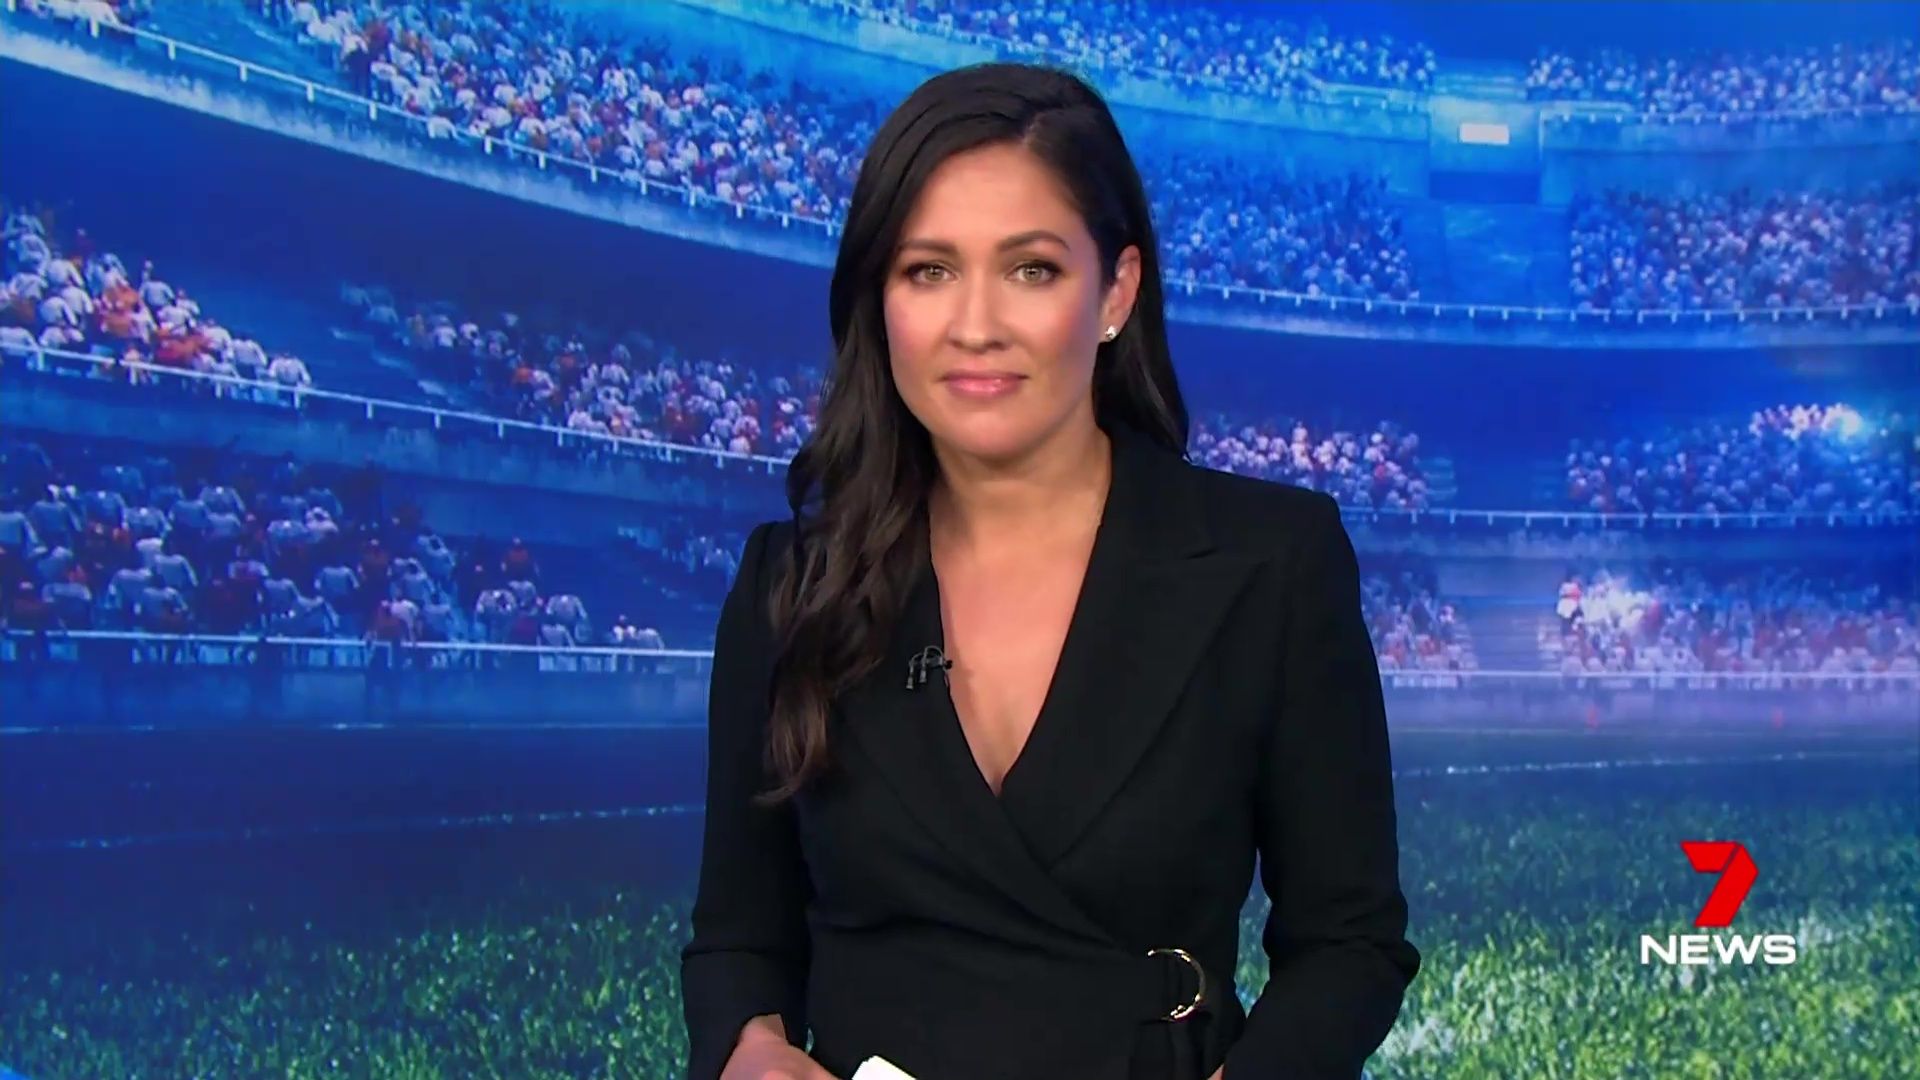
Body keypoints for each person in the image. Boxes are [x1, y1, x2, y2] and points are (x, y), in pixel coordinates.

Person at [680, 62, 1420, 1080]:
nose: (975, 324)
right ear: (877, 299)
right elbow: (739, 939)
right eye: (927, 270)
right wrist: (751, 1047)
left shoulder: (1272, 563)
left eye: (1031, 269)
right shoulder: (788, 586)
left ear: (1115, 291)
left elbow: (1350, 943)